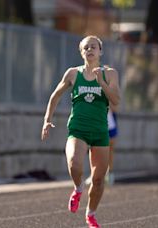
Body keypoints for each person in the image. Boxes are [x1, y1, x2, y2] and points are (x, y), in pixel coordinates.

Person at [41, 35, 120, 228]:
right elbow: (55, 96)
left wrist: (101, 82)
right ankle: (78, 188)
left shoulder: (109, 74)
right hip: (78, 129)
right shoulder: (73, 74)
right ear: (81, 52)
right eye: (86, 47)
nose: (90, 50)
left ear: (100, 51)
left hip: (100, 131)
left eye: (94, 47)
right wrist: (47, 120)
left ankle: (91, 214)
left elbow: (116, 100)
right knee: (74, 164)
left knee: (99, 179)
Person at [106, 103, 118, 185]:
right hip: (97, 124)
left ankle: (110, 173)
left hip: (110, 125)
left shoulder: (111, 91)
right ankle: (94, 173)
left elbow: (115, 108)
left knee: (110, 150)